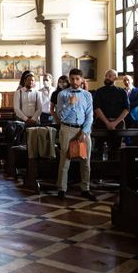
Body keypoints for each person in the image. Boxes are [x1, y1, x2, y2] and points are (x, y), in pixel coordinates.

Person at [55, 68, 96, 201]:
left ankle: (85, 188)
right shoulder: (62, 94)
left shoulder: (87, 95)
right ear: (69, 79)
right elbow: (60, 116)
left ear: (82, 80)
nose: (74, 81)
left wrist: (84, 132)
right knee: (65, 160)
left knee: (85, 161)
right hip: (67, 129)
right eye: (72, 78)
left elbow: (90, 115)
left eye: (77, 79)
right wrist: (69, 104)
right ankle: (62, 189)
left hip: (83, 130)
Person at [93, 69, 129, 152]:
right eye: (106, 76)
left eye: (109, 76)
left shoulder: (122, 92)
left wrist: (115, 123)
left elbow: (126, 109)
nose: (107, 78)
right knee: (100, 148)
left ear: (115, 78)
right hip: (101, 124)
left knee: (116, 149)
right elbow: (97, 108)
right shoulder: (99, 91)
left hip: (118, 124)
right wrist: (107, 123)